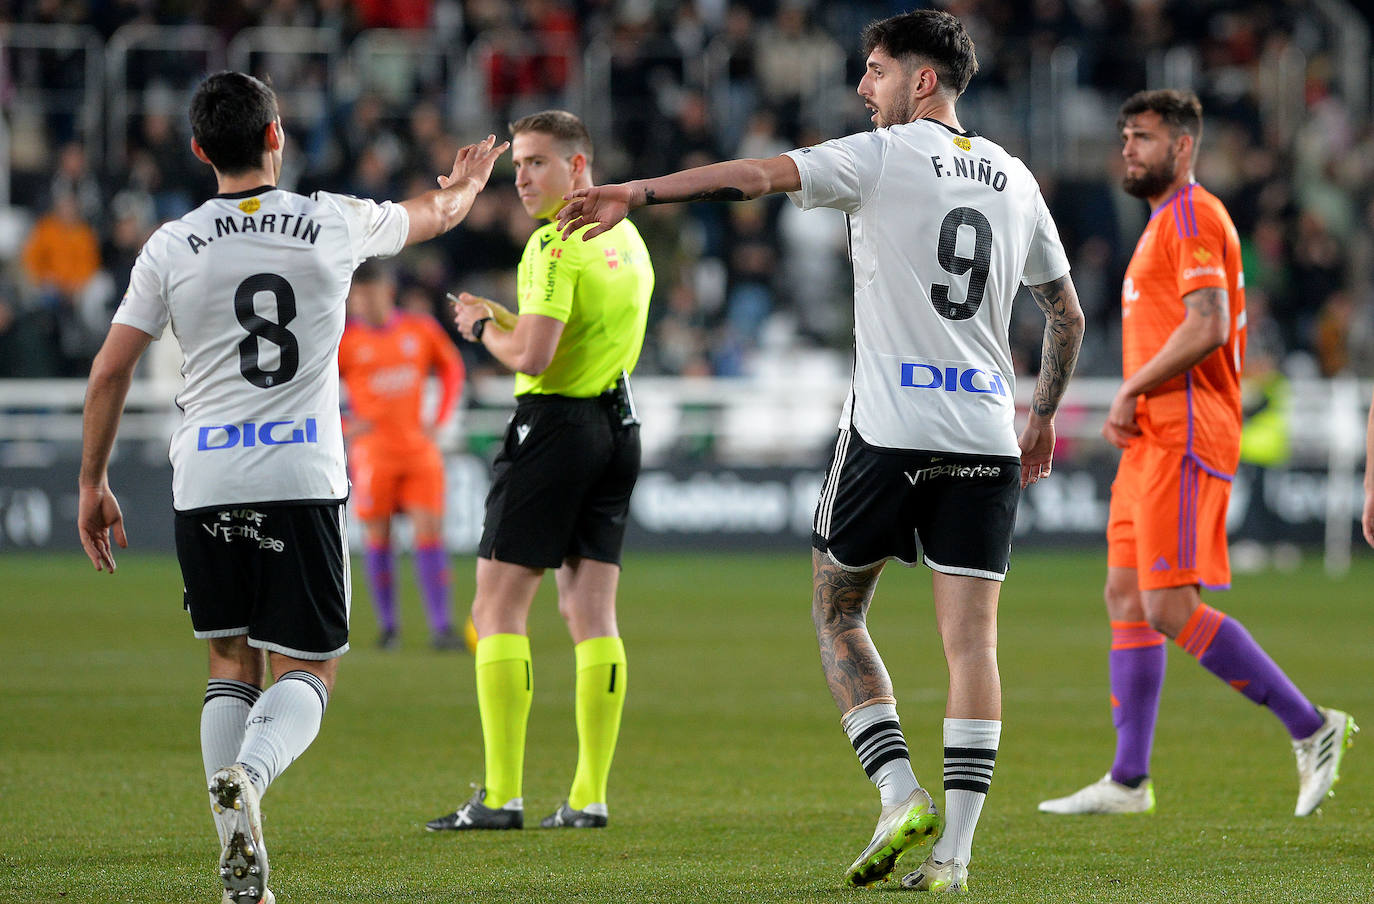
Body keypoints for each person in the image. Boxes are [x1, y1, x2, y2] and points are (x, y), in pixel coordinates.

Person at [556, 10, 1084, 892]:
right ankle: (952, 858)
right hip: (989, 435)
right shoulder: (1015, 178)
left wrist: (636, 193)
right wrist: (1041, 418)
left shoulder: (880, 155)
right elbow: (1065, 313)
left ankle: (897, 789)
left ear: (922, 82)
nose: (863, 88)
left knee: (838, 612)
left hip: (889, 431)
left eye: (876, 72)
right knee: (972, 647)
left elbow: (758, 175)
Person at [77, 70, 506, 904]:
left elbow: (108, 372)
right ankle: (251, 775)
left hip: (203, 478)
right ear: (276, 136)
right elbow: (436, 214)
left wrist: (92, 481)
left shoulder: (170, 245)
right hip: (301, 473)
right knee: (309, 666)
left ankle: (241, 876)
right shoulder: (328, 220)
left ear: (200, 150)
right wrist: (462, 188)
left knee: (227, 658)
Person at [1037, 90, 1357, 819]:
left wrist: (1131, 388)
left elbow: (1209, 324)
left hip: (1185, 428)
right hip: (1152, 434)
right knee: (1125, 596)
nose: (1127, 148)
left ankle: (1312, 727)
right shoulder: (1159, 224)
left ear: (1183, 148)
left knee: (1170, 605)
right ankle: (1127, 778)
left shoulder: (1191, 215)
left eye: (1143, 137)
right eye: (1124, 136)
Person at [424, 110, 653, 833]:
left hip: (555, 429)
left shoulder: (554, 244)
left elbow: (532, 358)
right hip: (618, 425)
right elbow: (569, 334)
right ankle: (588, 796)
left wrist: (483, 328)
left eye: (536, 164)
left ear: (577, 168)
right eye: (517, 164)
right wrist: (508, 317)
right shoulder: (625, 234)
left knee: (495, 611)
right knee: (590, 615)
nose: (520, 178)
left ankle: (500, 796)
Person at [339, 260, 468, 651]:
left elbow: (452, 368)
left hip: (417, 450)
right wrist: (344, 425)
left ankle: (442, 628)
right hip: (373, 455)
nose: (360, 302)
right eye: (355, 295)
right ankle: (389, 629)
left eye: (367, 293)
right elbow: (314, 390)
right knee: (379, 538)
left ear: (387, 292)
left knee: (430, 532)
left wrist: (441, 418)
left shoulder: (419, 329)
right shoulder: (344, 340)